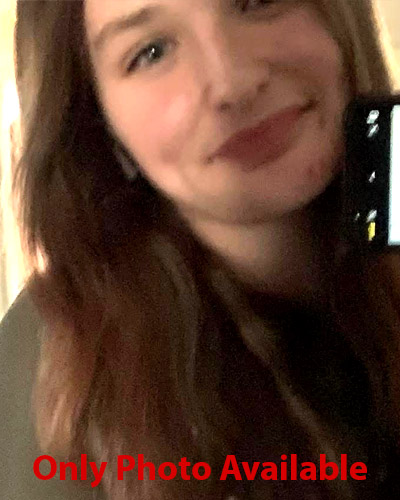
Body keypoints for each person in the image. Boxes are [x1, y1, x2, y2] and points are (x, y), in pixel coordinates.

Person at [1, 0, 400, 498]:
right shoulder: (49, 368)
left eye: (257, 1)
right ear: (98, 125)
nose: (234, 82)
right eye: (151, 52)